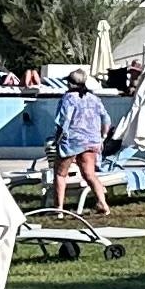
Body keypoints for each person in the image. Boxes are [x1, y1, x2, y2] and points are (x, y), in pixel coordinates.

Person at [48, 69, 112, 213]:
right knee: (89, 174)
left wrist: (57, 140)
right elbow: (106, 119)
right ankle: (103, 204)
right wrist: (102, 136)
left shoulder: (68, 98)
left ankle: (58, 209)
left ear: (70, 83)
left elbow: (63, 121)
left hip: (72, 141)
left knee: (60, 174)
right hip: (92, 141)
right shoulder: (94, 98)